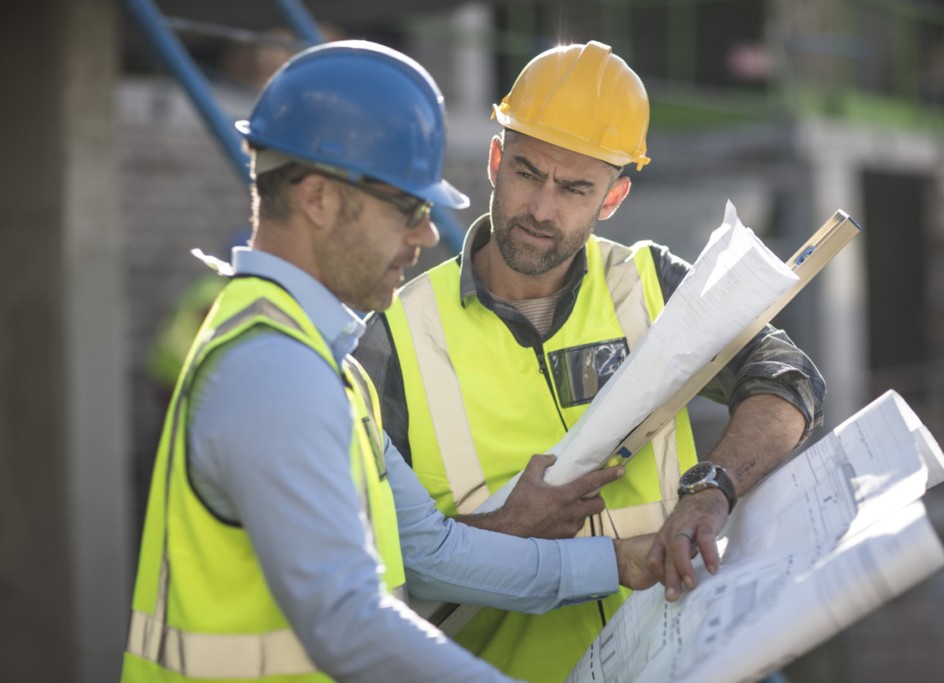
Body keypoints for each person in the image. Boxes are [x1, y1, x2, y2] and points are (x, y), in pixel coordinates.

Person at [121, 40, 659, 683]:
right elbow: (348, 623)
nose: (427, 234)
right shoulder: (273, 374)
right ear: (318, 198)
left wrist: (620, 564)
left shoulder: (322, 361)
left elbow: (430, 550)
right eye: (407, 207)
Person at [353, 40, 826, 682]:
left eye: (575, 188)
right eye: (526, 173)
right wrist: (501, 528)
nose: (542, 210)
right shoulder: (394, 334)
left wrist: (714, 488)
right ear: (496, 158)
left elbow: (786, 378)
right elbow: (368, 561)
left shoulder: (652, 284)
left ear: (613, 197)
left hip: (683, 664)